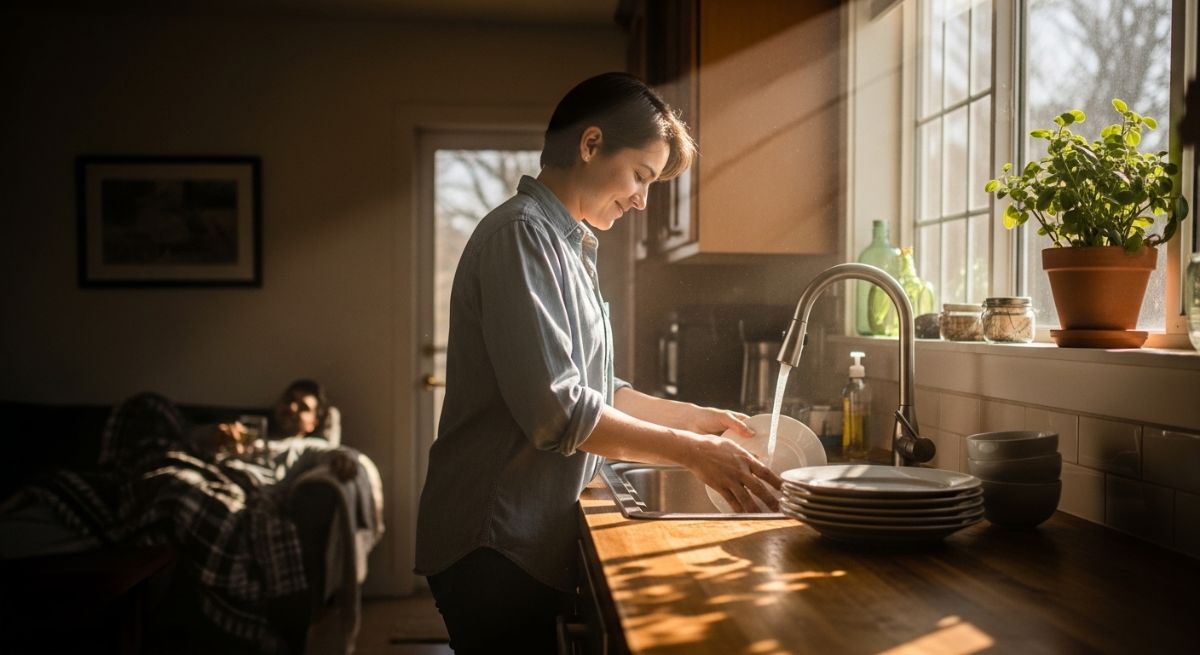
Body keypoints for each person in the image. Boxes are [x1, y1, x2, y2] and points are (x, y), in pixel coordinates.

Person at [414, 72, 782, 654]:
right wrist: (693, 454)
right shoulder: (522, 235)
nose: (642, 200)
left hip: (518, 537)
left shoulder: (566, 244)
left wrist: (697, 419)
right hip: (493, 539)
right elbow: (557, 411)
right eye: (640, 175)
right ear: (590, 144)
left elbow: (596, 388)